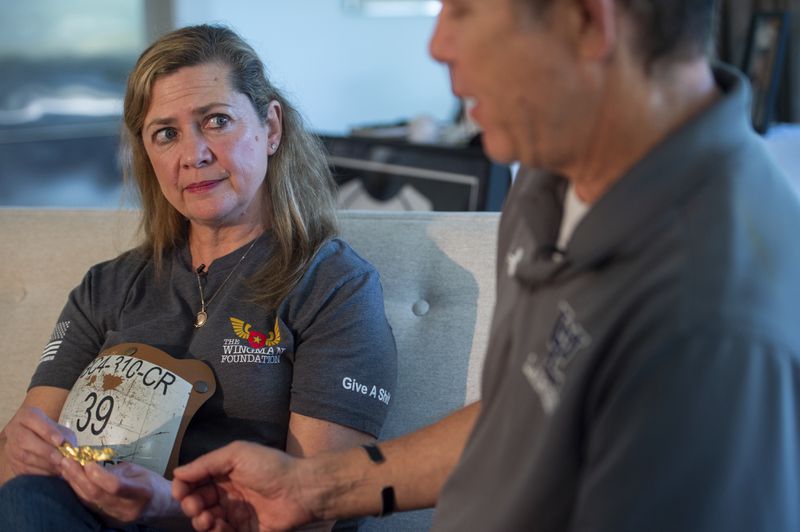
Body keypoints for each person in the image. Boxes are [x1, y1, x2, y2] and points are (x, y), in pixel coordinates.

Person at [171, 0, 800, 531]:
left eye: (464, 8)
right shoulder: (553, 171)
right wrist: (315, 489)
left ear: (586, 21)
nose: (439, 43)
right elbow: (526, 409)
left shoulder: (709, 323)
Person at [0, 24, 397, 531]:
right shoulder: (108, 286)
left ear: (270, 127)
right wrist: (27, 448)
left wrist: (172, 504)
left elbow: (319, 504)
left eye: (216, 121)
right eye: (166, 133)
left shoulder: (335, 287)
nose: (194, 155)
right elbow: (17, 464)